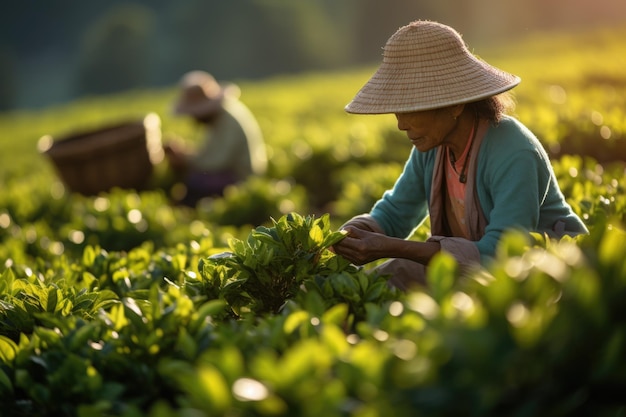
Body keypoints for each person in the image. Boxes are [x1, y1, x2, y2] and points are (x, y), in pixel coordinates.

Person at [332, 20, 588, 291]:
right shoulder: (431, 148)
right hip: (478, 273)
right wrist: (345, 236)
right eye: (398, 111)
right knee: (385, 280)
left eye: (411, 110)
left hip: (549, 276)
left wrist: (393, 247)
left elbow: (502, 253)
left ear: (454, 105)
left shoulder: (514, 152)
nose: (401, 124)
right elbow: (396, 213)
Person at [164, 70, 267, 206]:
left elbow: (217, 163)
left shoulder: (228, 121)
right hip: (235, 171)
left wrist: (185, 160)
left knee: (195, 182)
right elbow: (211, 153)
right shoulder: (221, 116)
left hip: (242, 178)